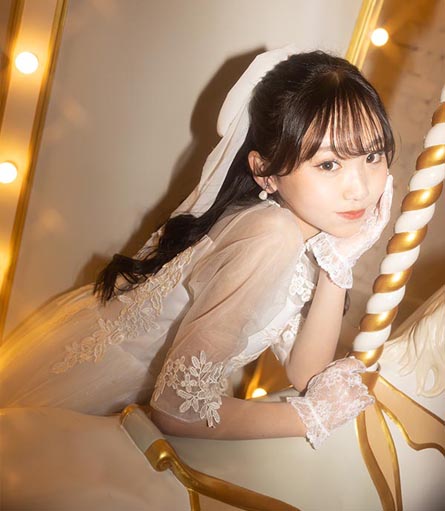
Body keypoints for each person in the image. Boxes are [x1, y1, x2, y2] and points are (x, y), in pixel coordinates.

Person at [0, 46, 394, 450]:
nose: (360, 189)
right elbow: (175, 410)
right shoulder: (271, 234)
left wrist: (338, 264)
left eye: (373, 155)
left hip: (129, 407)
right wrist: (309, 417)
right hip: (103, 402)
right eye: (329, 164)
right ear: (265, 171)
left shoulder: (301, 231)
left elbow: (306, 372)